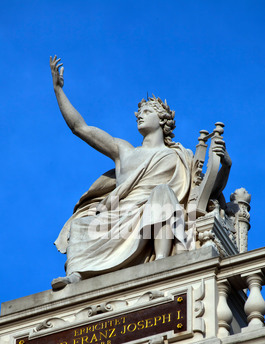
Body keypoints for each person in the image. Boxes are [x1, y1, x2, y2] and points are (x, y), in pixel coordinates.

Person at [49, 56, 228, 290]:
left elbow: (210, 190)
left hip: (153, 210)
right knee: (82, 224)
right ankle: (77, 275)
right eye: (139, 112)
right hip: (119, 212)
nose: (140, 115)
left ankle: (162, 262)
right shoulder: (124, 151)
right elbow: (80, 128)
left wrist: (226, 164)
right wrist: (58, 89)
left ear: (162, 119)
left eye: (146, 111)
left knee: (162, 194)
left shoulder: (180, 156)